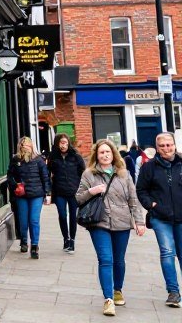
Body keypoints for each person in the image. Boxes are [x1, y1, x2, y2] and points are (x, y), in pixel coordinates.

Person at [76, 138, 146, 317]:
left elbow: (133, 199)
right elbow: (78, 198)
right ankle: (108, 299)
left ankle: (117, 290)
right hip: (99, 221)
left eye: (108, 152)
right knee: (105, 259)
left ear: (113, 154)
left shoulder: (124, 174)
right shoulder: (88, 174)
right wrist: (92, 191)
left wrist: (139, 222)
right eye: (101, 152)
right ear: (96, 155)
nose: (105, 155)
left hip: (122, 221)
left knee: (119, 260)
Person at [135, 132, 182, 308]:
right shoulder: (149, 167)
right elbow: (141, 190)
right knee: (167, 252)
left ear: (174, 145)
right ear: (157, 148)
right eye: (162, 146)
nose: (166, 148)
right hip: (160, 217)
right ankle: (173, 292)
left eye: (169, 145)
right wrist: (151, 205)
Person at [8, 136, 50, 259]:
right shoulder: (15, 160)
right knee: (23, 220)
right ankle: (24, 241)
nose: (24, 147)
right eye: (22, 145)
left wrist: (47, 193)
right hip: (21, 195)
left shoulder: (39, 160)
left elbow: (45, 177)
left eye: (26, 144)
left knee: (34, 220)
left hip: (36, 194)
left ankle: (34, 246)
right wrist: (15, 185)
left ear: (31, 146)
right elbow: (10, 176)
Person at [48, 133, 85, 252]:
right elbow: (47, 173)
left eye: (65, 142)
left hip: (73, 191)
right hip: (59, 191)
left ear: (68, 143)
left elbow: (83, 173)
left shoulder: (76, 157)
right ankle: (66, 238)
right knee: (62, 215)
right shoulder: (53, 157)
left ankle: (72, 240)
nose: (63, 145)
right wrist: (48, 191)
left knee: (73, 216)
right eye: (61, 142)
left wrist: (81, 188)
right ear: (57, 144)